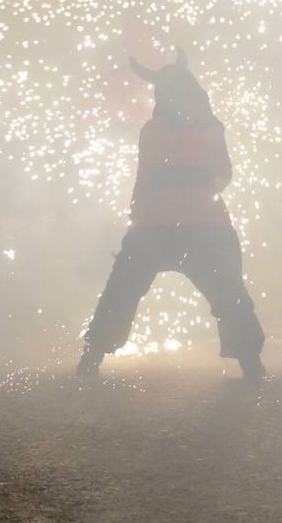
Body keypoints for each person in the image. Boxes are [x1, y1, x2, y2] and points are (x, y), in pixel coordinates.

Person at [77, 49, 266, 380]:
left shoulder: (152, 131)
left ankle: (91, 359)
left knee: (121, 290)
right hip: (207, 226)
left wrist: (137, 218)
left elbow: (144, 179)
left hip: (154, 227)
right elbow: (224, 175)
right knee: (230, 293)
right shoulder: (211, 130)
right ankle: (251, 362)